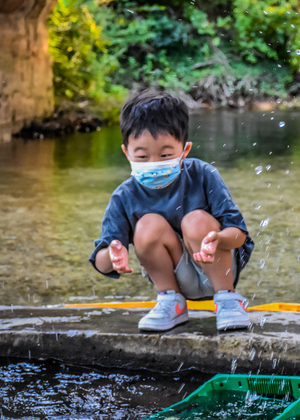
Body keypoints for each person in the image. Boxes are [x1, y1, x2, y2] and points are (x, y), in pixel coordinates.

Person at [90, 91, 254, 332]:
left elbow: (239, 234)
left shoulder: (203, 174)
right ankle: (171, 302)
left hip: (217, 267)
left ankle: (228, 299)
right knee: (147, 225)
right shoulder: (124, 196)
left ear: (185, 150)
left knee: (196, 220)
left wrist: (218, 238)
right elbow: (101, 262)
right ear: (127, 152)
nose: (154, 164)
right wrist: (114, 256)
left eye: (165, 155)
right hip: (172, 274)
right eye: (143, 156)